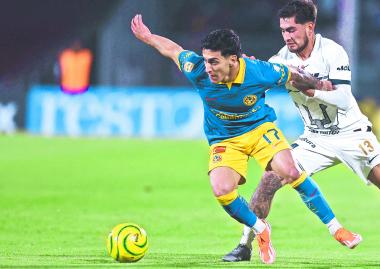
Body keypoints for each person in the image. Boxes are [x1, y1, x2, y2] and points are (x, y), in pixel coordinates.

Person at [223, 0, 380, 266]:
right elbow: (257, 85)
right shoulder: (280, 60)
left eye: (292, 29)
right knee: (268, 180)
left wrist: (310, 89)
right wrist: (248, 72)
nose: (287, 36)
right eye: (283, 30)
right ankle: (244, 245)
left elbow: (343, 97)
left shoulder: (332, 52)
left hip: (353, 134)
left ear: (310, 27)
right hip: (314, 138)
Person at [131, 13, 361, 264]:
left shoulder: (259, 72)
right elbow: (173, 50)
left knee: (290, 171)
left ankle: (336, 228)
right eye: (206, 60)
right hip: (225, 139)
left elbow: (293, 74)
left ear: (233, 60)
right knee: (222, 190)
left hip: (259, 129)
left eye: (214, 62)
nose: (208, 68)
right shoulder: (197, 69)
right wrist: (148, 37)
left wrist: (321, 85)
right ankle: (261, 229)